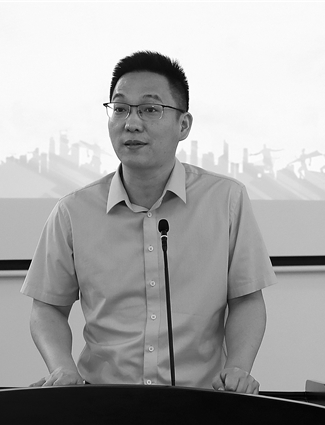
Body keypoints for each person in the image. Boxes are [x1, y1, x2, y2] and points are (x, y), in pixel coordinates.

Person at [21, 51, 277, 394]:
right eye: (120, 108)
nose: (131, 123)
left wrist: (238, 367)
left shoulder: (225, 200)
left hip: (202, 401)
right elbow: (48, 307)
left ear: (183, 125)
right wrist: (61, 367)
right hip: (102, 401)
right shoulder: (73, 211)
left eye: (149, 109)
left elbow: (246, 299)